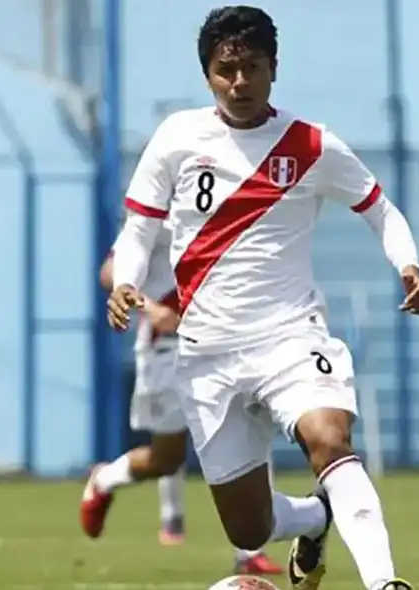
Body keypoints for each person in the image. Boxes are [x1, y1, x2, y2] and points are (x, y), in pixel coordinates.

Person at [107, 7, 419, 590]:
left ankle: (386, 582)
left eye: (251, 68)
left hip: (291, 337)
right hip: (206, 356)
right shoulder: (178, 139)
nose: (239, 83)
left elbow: (380, 209)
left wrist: (407, 265)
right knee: (248, 530)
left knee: (329, 438)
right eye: (225, 70)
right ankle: (315, 517)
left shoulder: (311, 144)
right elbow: (138, 230)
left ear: (273, 69)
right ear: (207, 74)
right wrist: (129, 280)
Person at [80, 220, 283, 575]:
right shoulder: (158, 213)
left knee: (252, 434)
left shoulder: (230, 198)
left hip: (223, 342)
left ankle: (250, 550)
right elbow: (110, 272)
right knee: (167, 458)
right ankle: (105, 480)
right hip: (166, 350)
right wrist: (149, 307)